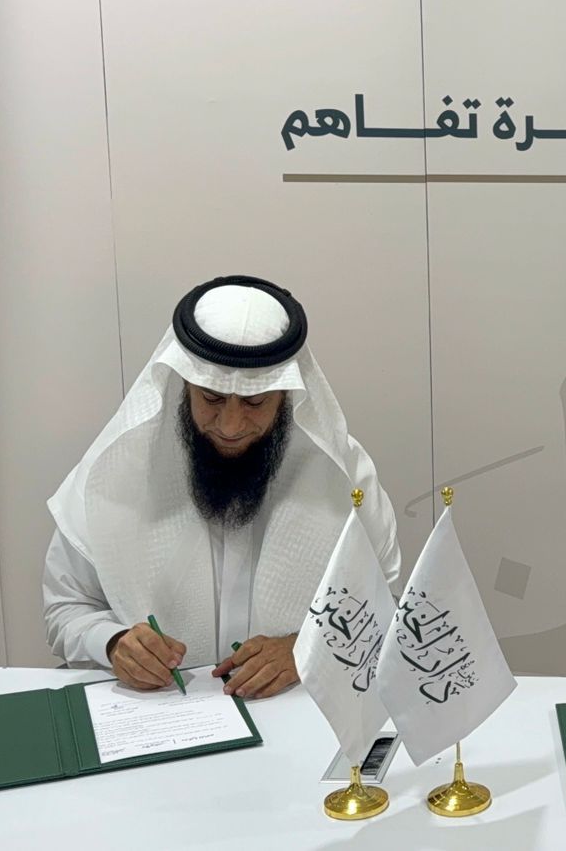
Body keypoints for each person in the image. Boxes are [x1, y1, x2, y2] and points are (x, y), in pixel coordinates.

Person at [43, 275, 400, 699]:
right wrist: (114, 643)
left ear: (285, 395)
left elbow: (388, 605)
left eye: (254, 402)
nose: (230, 426)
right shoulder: (113, 470)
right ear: (184, 385)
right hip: (162, 711)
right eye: (210, 398)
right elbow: (66, 608)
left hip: (295, 708)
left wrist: (305, 647)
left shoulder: (344, 475)